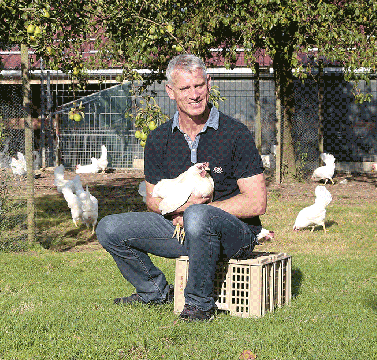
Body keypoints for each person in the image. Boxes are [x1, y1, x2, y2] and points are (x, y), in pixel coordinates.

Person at [96, 54, 268, 321]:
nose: (194, 94)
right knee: (109, 228)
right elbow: (153, 198)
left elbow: (257, 202)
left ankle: (199, 305)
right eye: (185, 88)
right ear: (170, 92)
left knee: (198, 216)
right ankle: (153, 291)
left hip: (236, 235)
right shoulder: (158, 139)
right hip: (182, 231)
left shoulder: (235, 134)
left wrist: (200, 211)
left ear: (209, 84)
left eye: (198, 85)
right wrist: (177, 210)